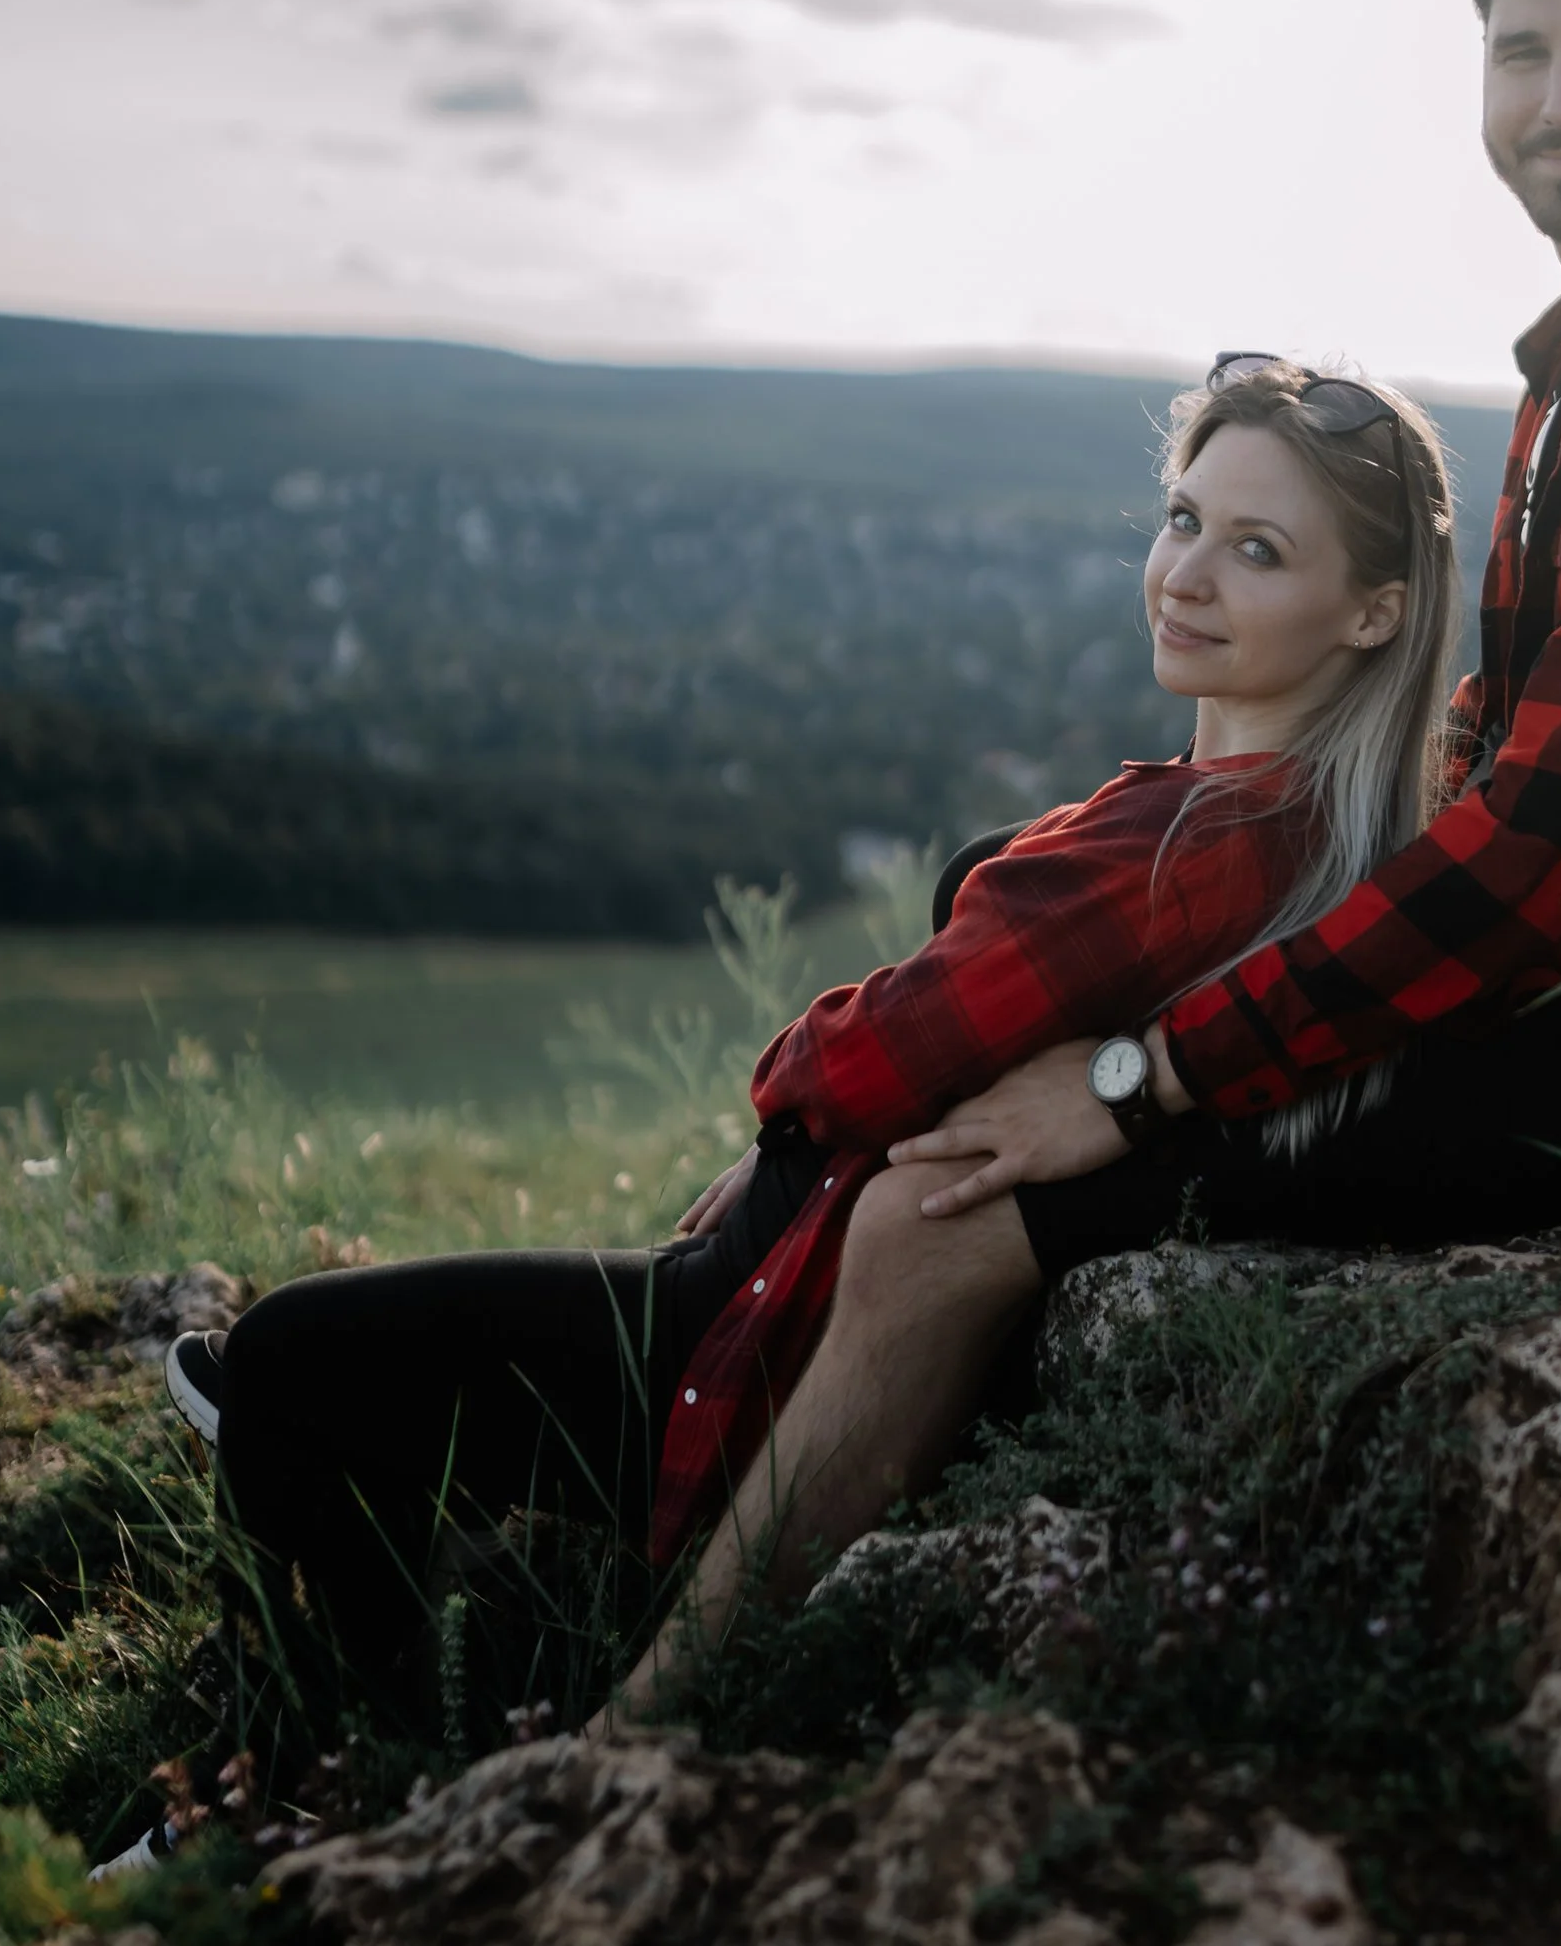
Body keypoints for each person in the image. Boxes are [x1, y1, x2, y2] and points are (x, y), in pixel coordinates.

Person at [696, 0, 1561, 1614]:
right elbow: (1504, 741)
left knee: (941, 1215)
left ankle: (679, 1692)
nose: (1559, 100)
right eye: (1522, 51)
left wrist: (1145, 1080)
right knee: (1014, 921)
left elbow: (1526, 854)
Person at [97, 354, 1460, 1868]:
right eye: (1184, 519)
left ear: (1374, 614)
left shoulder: (1187, 851)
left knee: (292, 1362)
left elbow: (863, 1065)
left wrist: (799, 1078)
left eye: (1257, 551)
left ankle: (293, 1795)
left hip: (752, 1329)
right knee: (327, 1382)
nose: (1187, 575)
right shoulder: (1303, 828)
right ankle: (367, 1691)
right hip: (773, 1255)